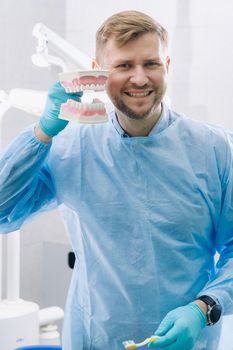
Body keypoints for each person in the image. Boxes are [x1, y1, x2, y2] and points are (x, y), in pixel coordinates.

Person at [0, 10, 233, 350]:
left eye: (150, 63)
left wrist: (204, 309)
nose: (139, 78)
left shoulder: (215, 150)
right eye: (124, 65)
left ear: (167, 64)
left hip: (188, 341)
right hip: (95, 338)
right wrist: (41, 133)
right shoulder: (71, 148)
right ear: (98, 71)